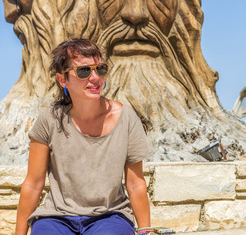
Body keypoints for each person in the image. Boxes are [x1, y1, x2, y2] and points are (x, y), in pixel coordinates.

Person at [15, 38, 152, 235]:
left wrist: (146, 230)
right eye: (84, 71)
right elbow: (33, 183)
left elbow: (135, 183)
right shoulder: (49, 120)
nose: (95, 77)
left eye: (100, 69)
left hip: (110, 216)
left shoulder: (127, 118)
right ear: (62, 79)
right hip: (56, 217)